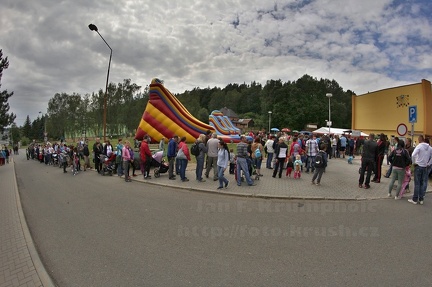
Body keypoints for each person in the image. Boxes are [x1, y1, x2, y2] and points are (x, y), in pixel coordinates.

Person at [408, 135, 432, 205]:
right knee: (422, 183)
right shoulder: (430, 148)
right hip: (425, 167)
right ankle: (421, 199)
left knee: (417, 183)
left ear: (419, 139)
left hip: (418, 166)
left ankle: (415, 199)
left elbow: (413, 155)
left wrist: (414, 163)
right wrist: (429, 163)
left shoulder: (419, 146)